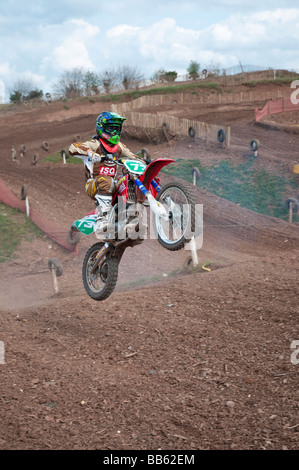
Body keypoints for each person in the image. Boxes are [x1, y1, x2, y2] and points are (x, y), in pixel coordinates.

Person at [68, 111, 144, 229]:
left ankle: (128, 215)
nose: (114, 132)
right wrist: (91, 153)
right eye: (111, 128)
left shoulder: (119, 146)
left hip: (111, 185)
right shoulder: (95, 144)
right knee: (105, 180)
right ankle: (102, 218)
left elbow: (132, 156)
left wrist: (143, 161)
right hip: (93, 185)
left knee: (127, 180)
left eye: (116, 128)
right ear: (102, 128)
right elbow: (73, 147)